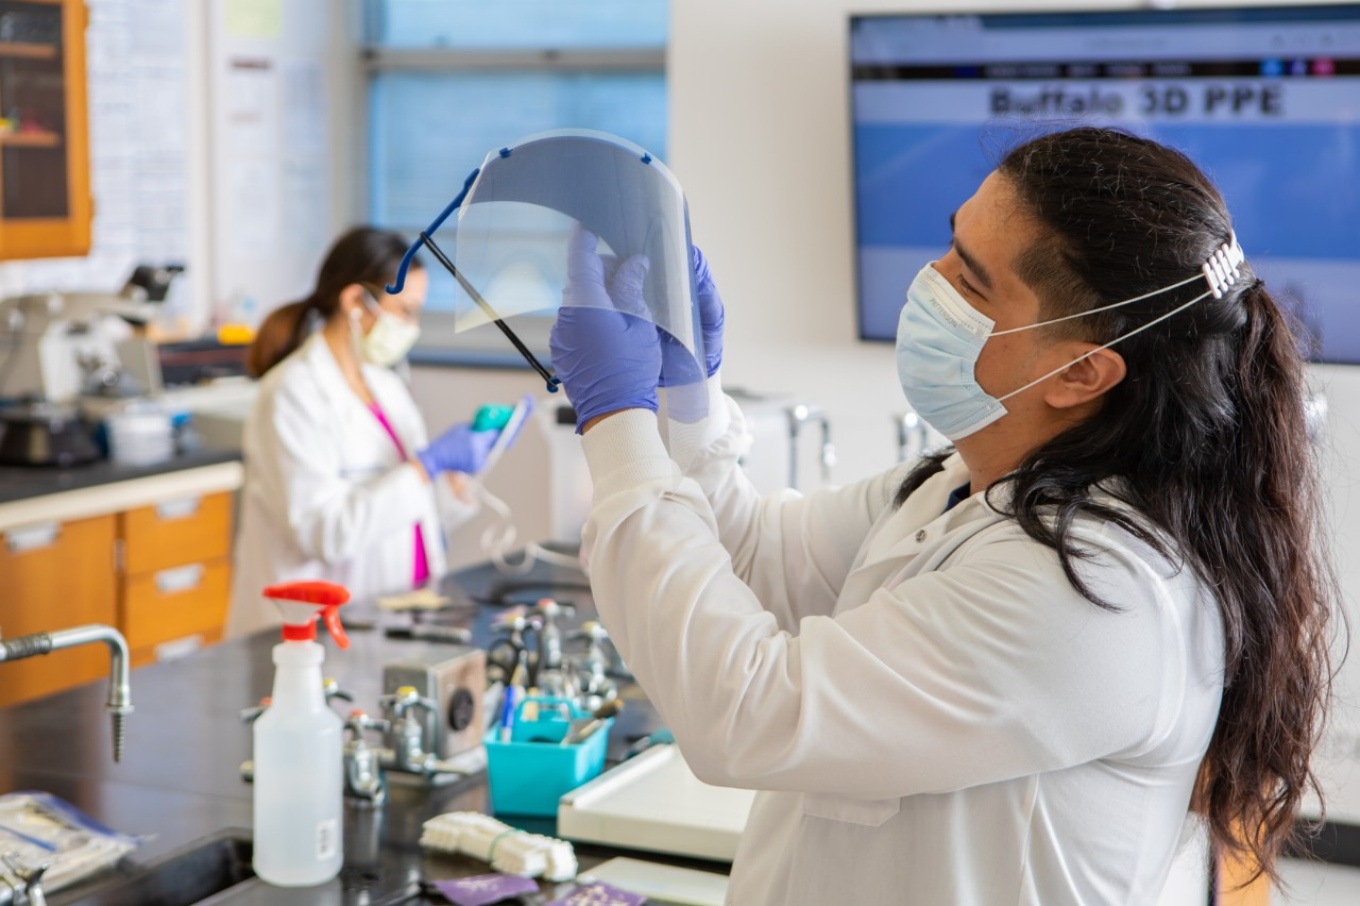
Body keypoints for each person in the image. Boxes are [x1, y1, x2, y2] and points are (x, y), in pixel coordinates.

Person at [547, 128, 1337, 904]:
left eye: (969, 279)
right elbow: (756, 563)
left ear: (1082, 371)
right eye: (949, 244)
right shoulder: (964, 488)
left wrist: (616, 420)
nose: (927, 281)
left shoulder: (1099, 589)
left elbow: (748, 711)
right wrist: (687, 398)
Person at [229, 227, 525, 637]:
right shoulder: (292, 394)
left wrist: (455, 475)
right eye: (404, 310)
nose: (412, 326)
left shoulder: (385, 385)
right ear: (354, 301)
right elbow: (325, 534)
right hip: (312, 630)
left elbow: (414, 512)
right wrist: (426, 466)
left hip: (397, 612)